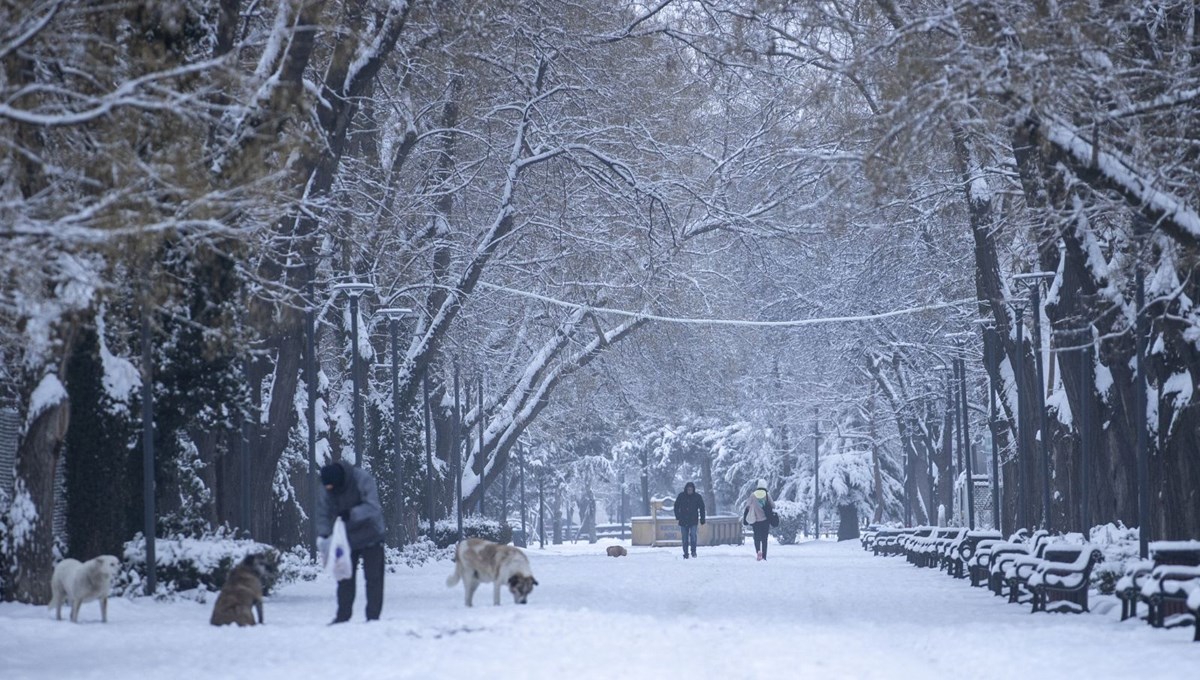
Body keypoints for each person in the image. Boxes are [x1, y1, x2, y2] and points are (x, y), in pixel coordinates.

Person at [316, 460, 387, 623]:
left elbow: (373, 507)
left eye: (332, 487)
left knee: (374, 577)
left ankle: (373, 616)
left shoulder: (362, 479)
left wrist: (352, 513)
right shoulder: (328, 486)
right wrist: (324, 534)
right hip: (346, 538)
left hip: (372, 534)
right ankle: (343, 615)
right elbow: (323, 513)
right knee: (344, 576)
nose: (329, 490)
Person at [742, 478, 775, 561]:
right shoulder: (767, 494)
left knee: (756, 537)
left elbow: (748, 505)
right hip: (765, 521)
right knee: (764, 539)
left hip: (755, 521)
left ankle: (758, 551)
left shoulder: (753, 495)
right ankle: (764, 556)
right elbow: (773, 505)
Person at [673, 481, 706, 559]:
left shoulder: (697, 497)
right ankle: (685, 553)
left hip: (693, 520)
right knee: (684, 538)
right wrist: (677, 516)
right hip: (683, 520)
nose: (689, 491)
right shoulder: (681, 496)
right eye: (688, 489)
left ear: (693, 489)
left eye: (691, 489)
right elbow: (676, 506)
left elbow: (702, 508)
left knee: (693, 536)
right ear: (686, 489)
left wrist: (702, 518)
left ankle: (693, 551)